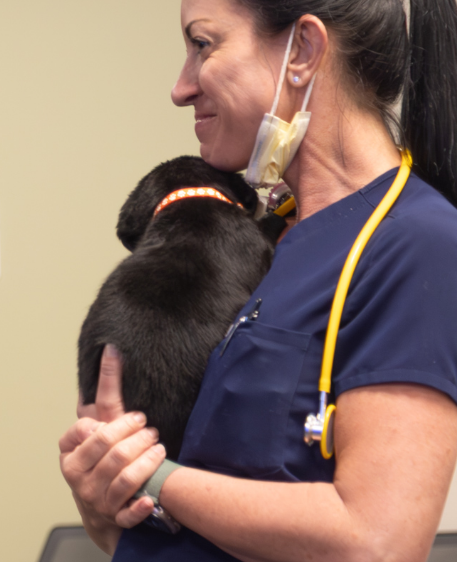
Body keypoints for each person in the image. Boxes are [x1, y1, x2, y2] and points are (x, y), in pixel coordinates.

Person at [59, 0, 457, 560]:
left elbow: (377, 542)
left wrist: (153, 477)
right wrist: (105, 489)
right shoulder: (268, 238)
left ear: (303, 51)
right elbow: (171, 526)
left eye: (203, 45)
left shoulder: (417, 242)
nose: (181, 88)